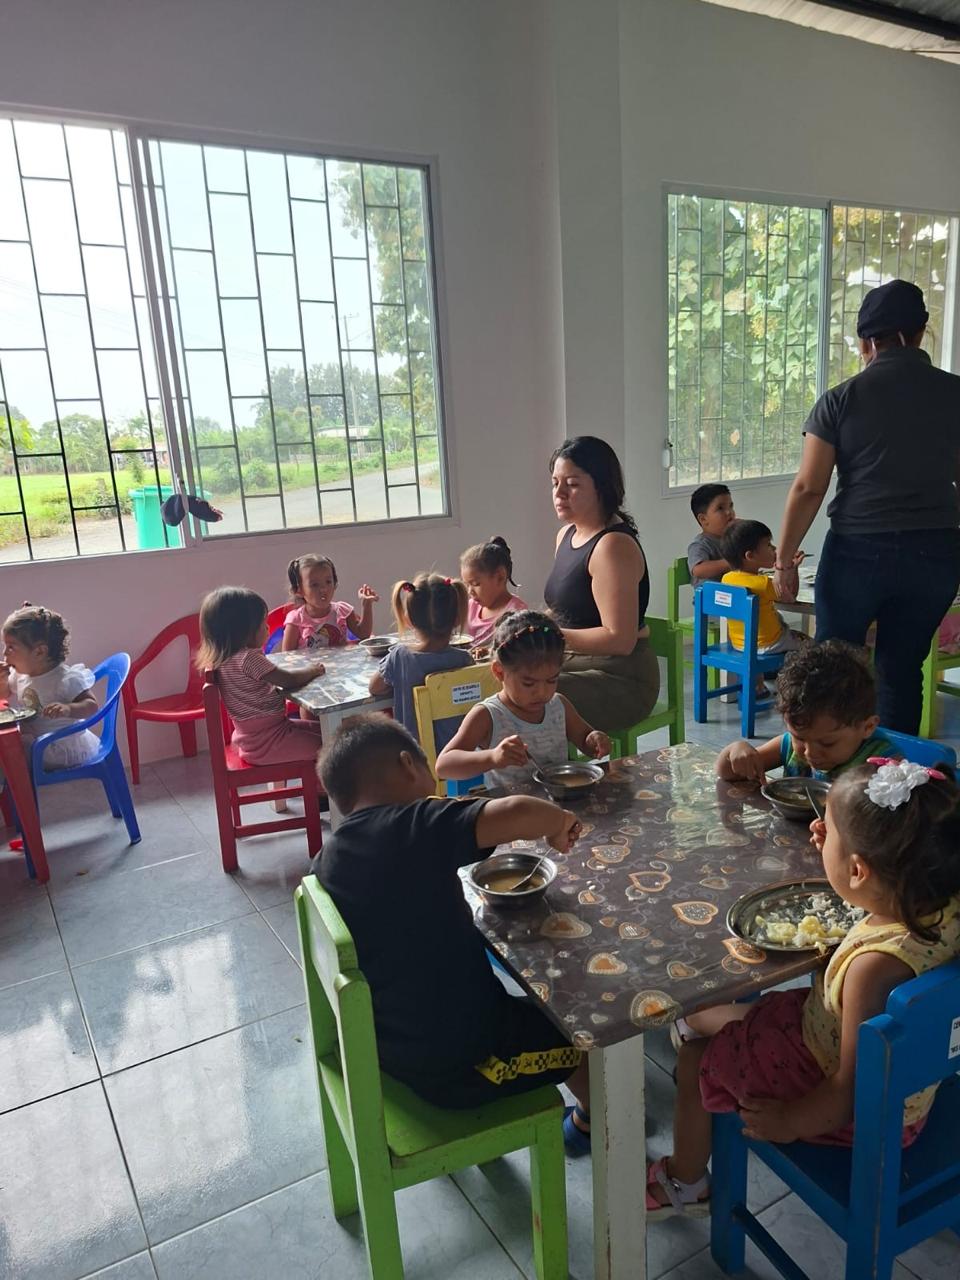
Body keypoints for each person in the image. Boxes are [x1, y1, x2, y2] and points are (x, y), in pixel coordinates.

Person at [648, 758, 960, 1220]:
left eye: (828, 835)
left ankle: (686, 1181)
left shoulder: (873, 972)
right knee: (708, 1013)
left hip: (864, 1109)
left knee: (695, 1058)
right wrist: (841, 853)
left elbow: (850, 1091)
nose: (820, 835)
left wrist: (790, 1121)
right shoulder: (933, 898)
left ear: (860, 871)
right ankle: (702, 1026)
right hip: (872, 1054)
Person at [316, 713, 590, 1117]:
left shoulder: (326, 861)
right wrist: (559, 820)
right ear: (408, 764)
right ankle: (592, 1122)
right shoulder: (412, 825)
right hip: (468, 1061)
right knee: (583, 1036)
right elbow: (517, 812)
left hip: (390, 1045)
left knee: (528, 1012)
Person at [774, 279, 960, 734]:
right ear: (920, 332)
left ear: (866, 342)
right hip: (935, 553)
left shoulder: (841, 399)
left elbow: (809, 488)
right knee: (902, 670)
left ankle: (823, 768)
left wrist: (784, 561)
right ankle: (893, 773)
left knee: (831, 670)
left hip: (858, 552)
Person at [544, 435, 659, 732]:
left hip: (620, 678)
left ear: (601, 487)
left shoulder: (612, 546)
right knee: (497, 674)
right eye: (555, 483)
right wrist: (525, 626)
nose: (559, 493)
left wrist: (550, 634)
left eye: (572, 484)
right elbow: (567, 611)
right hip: (574, 661)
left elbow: (620, 640)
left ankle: (542, 765)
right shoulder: (566, 535)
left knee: (528, 694)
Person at [437, 610, 611, 790]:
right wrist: (492, 757)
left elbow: (586, 741)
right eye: (529, 683)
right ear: (499, 672)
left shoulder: (559, 706)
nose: (542, 692)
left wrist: (594, 740)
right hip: (511, 805)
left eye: (552, 680)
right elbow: (444, 766)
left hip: (558, 801)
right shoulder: (488, 715)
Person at [717, 640, 893, 784]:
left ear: (867, 727)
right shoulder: (790, 745)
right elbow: (727, 772)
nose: (810, 753)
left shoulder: (884, 766)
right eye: (799, 738)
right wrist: (736, 750)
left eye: (827, 743)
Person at [197, 586, 327, 769]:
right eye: (262, 623)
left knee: (329, 732)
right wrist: (313, 671)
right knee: (332, 747)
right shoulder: (248, 658)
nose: (267, 627)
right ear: (243, 631)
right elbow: (288, 680)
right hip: (269, 742)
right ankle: (326, 787)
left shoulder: (225, 659)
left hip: (257, 738)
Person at [369, 573, 472, 747]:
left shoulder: (401, 656)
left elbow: (375, 687)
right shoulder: (464, 660)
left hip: (413, 758)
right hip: (456, 756)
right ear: (457, 619)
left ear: (408, 620)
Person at [2, 604, 99, 769]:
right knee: (7, 750)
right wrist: (2, 679)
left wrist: (68, 709)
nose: (4, 653)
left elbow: (92, 706)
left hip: (59, 745)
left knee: (9, 755)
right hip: (36, 741)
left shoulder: (64, 679)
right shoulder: (21, 675)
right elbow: (4, 693)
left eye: (11, 647)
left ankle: (18, 785)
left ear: (39, 652)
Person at [720, 519, 806, 659]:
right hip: (770, 643)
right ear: (750, 556)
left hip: (740, 644)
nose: (774, 548)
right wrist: (792, 567)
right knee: (813, 645)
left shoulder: (726, 579)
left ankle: (765, 676)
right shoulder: (763, 584)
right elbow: (791, 596)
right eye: (768, 545)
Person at [281, 554, 378, 650]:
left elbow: (364, 635)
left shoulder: (342, 611)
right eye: (314, 585)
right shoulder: (296, 620)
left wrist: (367, 603)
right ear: (299, 591)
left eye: (328, 582)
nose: (323, 589)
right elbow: (287, 655)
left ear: (335, 584)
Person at [460, 536, 528, 648]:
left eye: (475, 584)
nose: (470, 591)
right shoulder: (471, 606)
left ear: (499, 577)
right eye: (467, 585)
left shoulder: (517, 613)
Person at [687, 483, 736, 582]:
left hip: (734, 589)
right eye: (720, 508)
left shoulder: (734, 538)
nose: (729, 512)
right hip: (710, 592)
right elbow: (698, 570)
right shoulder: (701, 544)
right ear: (703, 519)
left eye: (731, 506)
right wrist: (730, 563)